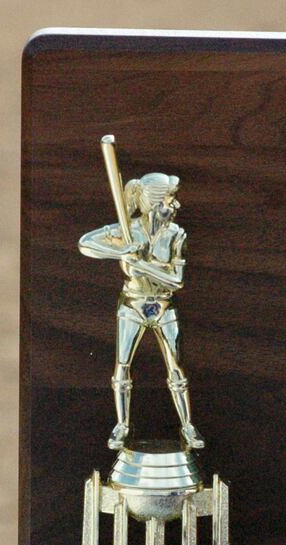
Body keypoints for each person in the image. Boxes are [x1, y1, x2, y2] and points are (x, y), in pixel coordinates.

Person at [79, 172, 204, 451]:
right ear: (155, 202)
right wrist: (122, 251)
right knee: (122, 365)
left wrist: (143, 265)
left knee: (176, 368)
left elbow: (176, 280)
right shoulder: (127, 231)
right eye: (171, 198)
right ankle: (122, 424)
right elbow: (85, 243)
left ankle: (187, 424)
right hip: (132, 305)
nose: (176, 205)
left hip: (163, 305)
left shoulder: (177, 234)